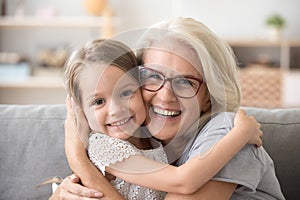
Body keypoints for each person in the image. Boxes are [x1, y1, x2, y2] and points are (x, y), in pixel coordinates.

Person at [52, 17, 284, 199]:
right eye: (153, 76)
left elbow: (183, 180)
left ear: (208, 97)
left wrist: (78, 161)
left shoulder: (225, 132)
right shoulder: (135, 140)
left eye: (185, 82)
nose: (165, 96)